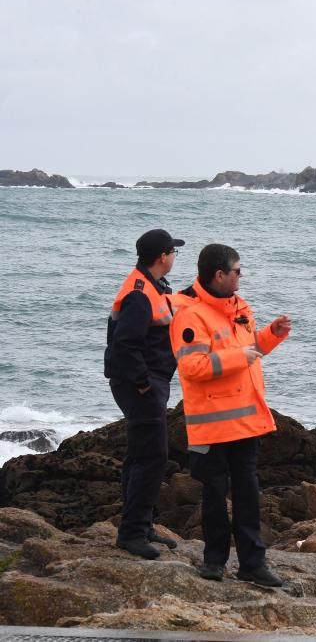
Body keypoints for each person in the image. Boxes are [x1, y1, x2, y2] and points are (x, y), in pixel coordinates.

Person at [169, 243, 291, 587]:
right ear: (219, 275)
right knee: (213, 494)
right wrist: (241, 356)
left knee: (248, 494)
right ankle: (214, 562)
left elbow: (253, 349)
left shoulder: (240, 308)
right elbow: (191, 367)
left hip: (245, 421)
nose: (242, 276)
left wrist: (272, 335)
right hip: (211, 424)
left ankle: (253, 563)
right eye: (237, 271)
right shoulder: (190, 316)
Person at [105, 228, 186, 559]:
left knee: (140, 455)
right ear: (162, 257)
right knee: (153, 458)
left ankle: (141, 522)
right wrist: (143, 385)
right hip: (140, 384)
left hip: (150, 381)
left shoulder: (155, 286)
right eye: (173, 252)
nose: (174, 257)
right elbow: (125, 344)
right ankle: (133, 533)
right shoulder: (139, 293)